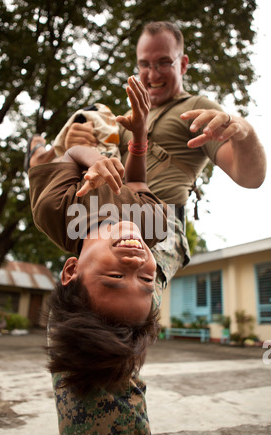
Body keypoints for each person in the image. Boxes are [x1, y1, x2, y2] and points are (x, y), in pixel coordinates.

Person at [28, 76, 175, 435]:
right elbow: (137, 188)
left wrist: (95, 159)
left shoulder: (56, 211)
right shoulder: (152, 228)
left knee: (63, 141)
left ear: (71, 269)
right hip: (121, 149)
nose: (137, 259)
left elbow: (73, 154)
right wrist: (139, 138)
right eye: (146, 277)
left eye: (114, 275)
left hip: (70, 156)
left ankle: (35, 150)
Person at [65, 20, 266, 270]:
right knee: (79, 295)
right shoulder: (124, 120)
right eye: (144, 64)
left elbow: (250, 177)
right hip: (111, 218)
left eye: (163, 62)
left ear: (182, 64)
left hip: (160, 222)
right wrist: (76, 141)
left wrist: (244, 132)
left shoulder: (196, 108)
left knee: (128, 286)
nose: (152, 74)